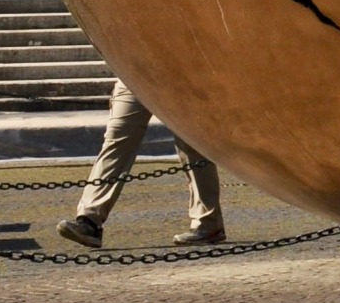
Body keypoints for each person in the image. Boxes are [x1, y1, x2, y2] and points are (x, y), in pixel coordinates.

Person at [57, 79, 227, 249]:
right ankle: (89, 221)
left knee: (192, 145)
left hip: (179, 75)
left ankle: (207, 223)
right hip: (133, 74)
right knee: (117, 139)